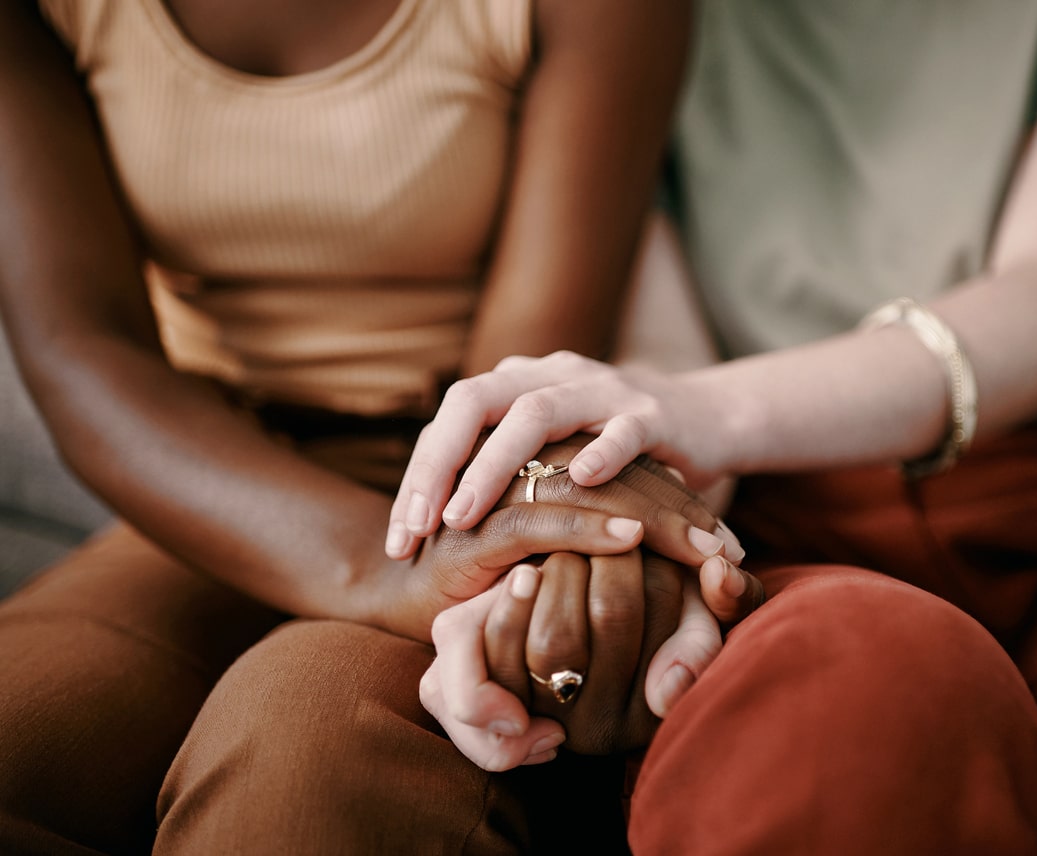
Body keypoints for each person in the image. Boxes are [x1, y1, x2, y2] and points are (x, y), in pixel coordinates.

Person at [396, 0, 1037, 852]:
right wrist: (595, 574)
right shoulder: (629, 18)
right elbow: (659, 389)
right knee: (847, 708)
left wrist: (704, 411)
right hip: (773, 532)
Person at [0, 1, 755, 852]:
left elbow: (527, 370)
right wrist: (377, 570)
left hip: (466, 478)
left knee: (301, 787)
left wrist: (488, 550)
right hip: (205, 478)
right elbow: (82, 353)